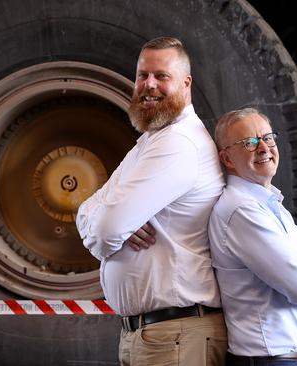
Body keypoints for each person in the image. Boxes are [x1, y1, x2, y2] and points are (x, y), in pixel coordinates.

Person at [76, 37, 227, 366]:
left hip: (175, 336)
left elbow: (103, 232)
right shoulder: (152, 140)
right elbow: (88, 209)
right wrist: (103, 220)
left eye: (161, 76)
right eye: (142, 75)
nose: (149, 85)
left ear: (186, 84)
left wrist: (107, 222)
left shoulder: (178, 144)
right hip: (156, 335)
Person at [208, 108, 297, 366]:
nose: (263, 147)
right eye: (249, 142)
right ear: (227, 159)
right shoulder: (242, 211)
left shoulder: (270, 205)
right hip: (271, 360)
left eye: (268, 138)